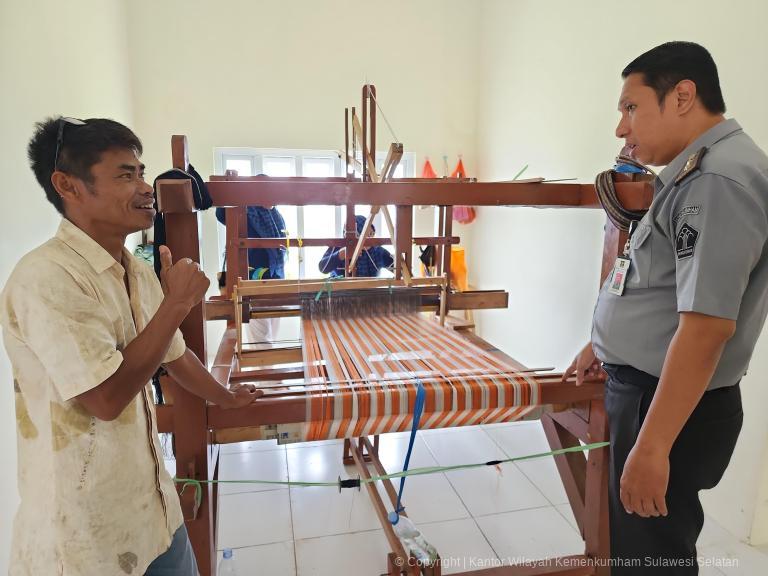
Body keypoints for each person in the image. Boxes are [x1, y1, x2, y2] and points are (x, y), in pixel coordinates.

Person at [1, 117, 261, 576]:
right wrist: (177, 302)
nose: (146, 188)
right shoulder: (45, 279)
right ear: (67, 185)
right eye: (126, 174)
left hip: (154, 511)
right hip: (86, 540)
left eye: (142, 173)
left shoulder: (137, 272)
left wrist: (226, 397)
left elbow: (174, 355)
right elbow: (105, 398)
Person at [562, 42, 768, 574]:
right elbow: (664, 287)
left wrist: (653, 448)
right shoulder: (691, 173)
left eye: (630, 107)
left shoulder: (716, 182)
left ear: (682, 96)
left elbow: (705, 330)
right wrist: (603, 344)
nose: (621, 128)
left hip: (669, 408)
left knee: (652, 558)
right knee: (641, 549)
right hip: (655, 394)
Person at [214, 179, 287, 281]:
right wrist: (229, 186)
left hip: (274, 275)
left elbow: (282, 246)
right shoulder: (246, 212)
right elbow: (221, 214)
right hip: (248, 274)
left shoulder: (276, 216)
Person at [319, 214, 394, 277]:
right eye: (366, 235)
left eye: (372, 234)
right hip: (340, 291)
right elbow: (322, 268)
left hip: (369, 292)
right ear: (356, 235)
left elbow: (397, 269)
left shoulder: (377, 251)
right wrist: (342, 254)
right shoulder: (338, 247)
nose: (370, 238)